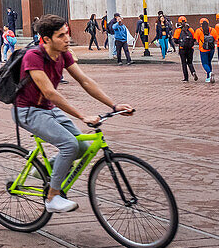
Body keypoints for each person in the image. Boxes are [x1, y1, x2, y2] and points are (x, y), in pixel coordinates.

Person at [14, 14, 133, 214]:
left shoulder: (64, 54)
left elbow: (84, 81)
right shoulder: (33, 57)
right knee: (69, 144)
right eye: (61, 36)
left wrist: (114, 105)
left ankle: (44, 169)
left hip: (48, 109)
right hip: (28, 111)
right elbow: (50, 92)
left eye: (67, 34)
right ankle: (52, 197)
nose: (67, 39)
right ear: (46, 39)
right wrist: (82, 116)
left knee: (82, 147)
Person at [173, 17, 198, 81]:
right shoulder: (191, 29)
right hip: (190, 48)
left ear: (179, 22)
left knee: (184, 63)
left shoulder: (178, 30)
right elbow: (194, 39)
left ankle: (186, 78)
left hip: (182, 49)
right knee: (190, 62)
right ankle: (193, 72)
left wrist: (181, 42)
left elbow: (175, 40)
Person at [195, 18, 217, 83]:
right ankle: (208, 77)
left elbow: (196, 39)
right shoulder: (212, 30)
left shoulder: (198, 30)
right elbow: (216, 39)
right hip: (211, 49)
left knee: (204, 63)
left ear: (201, 24)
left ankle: (209, 73)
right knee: (209, 62)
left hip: (203, 49)